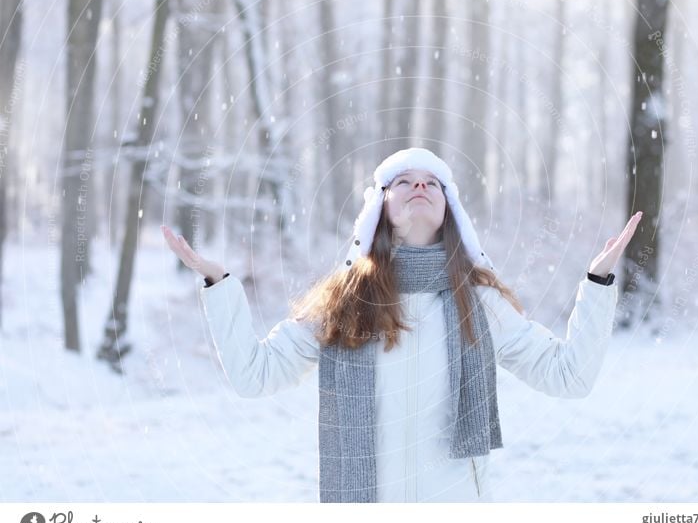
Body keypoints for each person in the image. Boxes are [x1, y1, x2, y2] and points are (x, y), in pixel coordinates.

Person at [162, 147, 642, 503]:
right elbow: (254, 375)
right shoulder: (343, 301)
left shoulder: (479, 302)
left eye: (432, 182)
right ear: (380, 208)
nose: (419, 187)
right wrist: (218, 281)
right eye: (404, 181)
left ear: (449, 210)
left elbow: (568, 376)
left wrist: (598, 280)